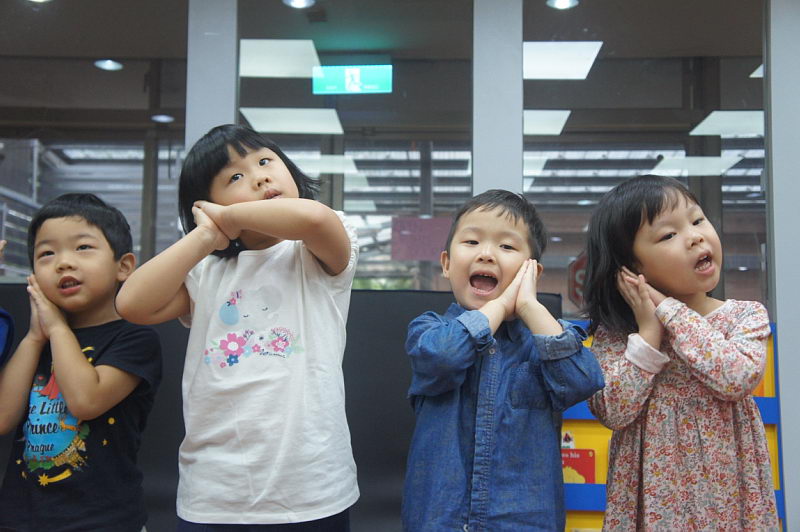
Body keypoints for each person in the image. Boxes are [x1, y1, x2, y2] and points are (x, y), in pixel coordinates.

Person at [116, 124, 359, 530]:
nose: (260, 177)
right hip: (215, 490)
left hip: (311, 487)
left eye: (265, 161)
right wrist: (205, 236)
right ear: (206, 204)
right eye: (234, 177)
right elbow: (132, 304)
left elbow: (314, 218)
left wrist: (229, 215)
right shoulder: (207, 272)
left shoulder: (314, 252)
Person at [583, 174, 779, 530]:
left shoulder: (745, 316)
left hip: (728, 501)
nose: (694, 237)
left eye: (697, 220)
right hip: (656, 505)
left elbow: (736, 378)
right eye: (668, 235)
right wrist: (648, 333)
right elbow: (613, 410)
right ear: (631, 269)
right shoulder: (619, 335)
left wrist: (667, 310)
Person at [402, 189, 604, 532]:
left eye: (507, 246)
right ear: (447, 264)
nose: (486, 254)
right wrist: (499, 305)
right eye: (471, 241)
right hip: (440, 518)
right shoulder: (429, 329)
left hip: (525, 520)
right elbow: (444, 357)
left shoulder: (544, 340)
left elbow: (582, 380)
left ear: (532, 272)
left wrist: (528, 305)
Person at [0, 194, 162, 531]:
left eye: (83, 247)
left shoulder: (135, 339)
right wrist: (34, 337)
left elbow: (86, 401)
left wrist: (57, 328)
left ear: (123, 267)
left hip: (104, 521)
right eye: (46, 254)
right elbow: (2, 419)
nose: (63, 263)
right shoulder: (37, 342)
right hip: (22, 519)